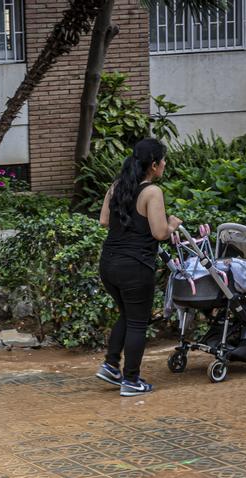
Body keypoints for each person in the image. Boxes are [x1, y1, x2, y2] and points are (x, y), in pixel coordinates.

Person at [94, 138, 182, 397]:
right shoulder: (152, 192)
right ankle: (131, 380)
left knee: (127, 314)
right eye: (163, 160)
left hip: (109, 263)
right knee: (138, 322)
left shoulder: (117, 186)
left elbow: (103, 221)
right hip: (135, 266)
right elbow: (159, 233)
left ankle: (111, 365)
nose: (165, 164)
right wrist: (172, 224)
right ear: (153, 165)